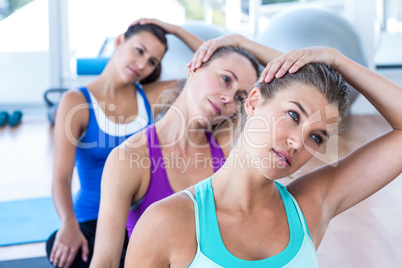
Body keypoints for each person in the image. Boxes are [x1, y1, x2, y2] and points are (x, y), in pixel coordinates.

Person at [125, 46, 402, 267]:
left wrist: (337, 59)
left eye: (316, 137)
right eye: (293, 115)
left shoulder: (310, 206)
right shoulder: (166, 222)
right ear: (254, 102)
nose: (297, 142)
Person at [90, 31, 284, 267]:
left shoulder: (227, 144)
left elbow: (300, 78)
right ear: (195, 66)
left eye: (240, 97)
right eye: (225, 79)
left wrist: (237, 41)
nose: (228, 99)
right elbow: (105, 262)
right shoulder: (129, 158)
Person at [46, 18, 207, 268]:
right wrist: (68, 223)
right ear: (120, 41)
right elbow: (60, 179)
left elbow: (211, 66)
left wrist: (175, 30)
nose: (142, 64)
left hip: (141, 221)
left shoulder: (152, 97)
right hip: (92, 221)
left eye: (152, 61)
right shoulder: (75, 102)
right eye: (139, 51)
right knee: (60, 248)